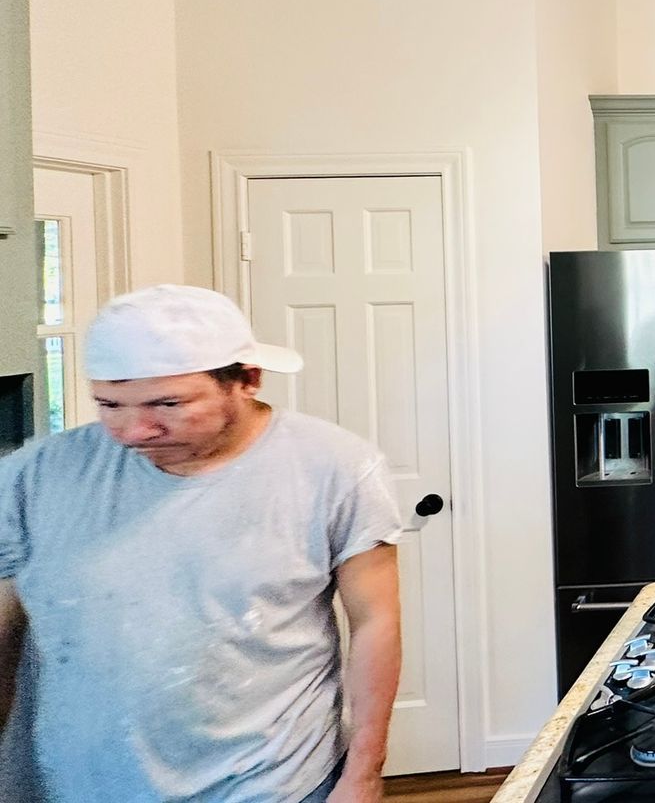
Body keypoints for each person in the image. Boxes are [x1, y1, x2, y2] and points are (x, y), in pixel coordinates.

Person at [0, 285, 405, 802]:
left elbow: (375, 623)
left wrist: (364, 774)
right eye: (109, 405)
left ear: (248, 381)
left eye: (167, 404)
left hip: (271, 783)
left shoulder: (336, 468)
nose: (132, 431)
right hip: (80, 783)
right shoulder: (35, 477)